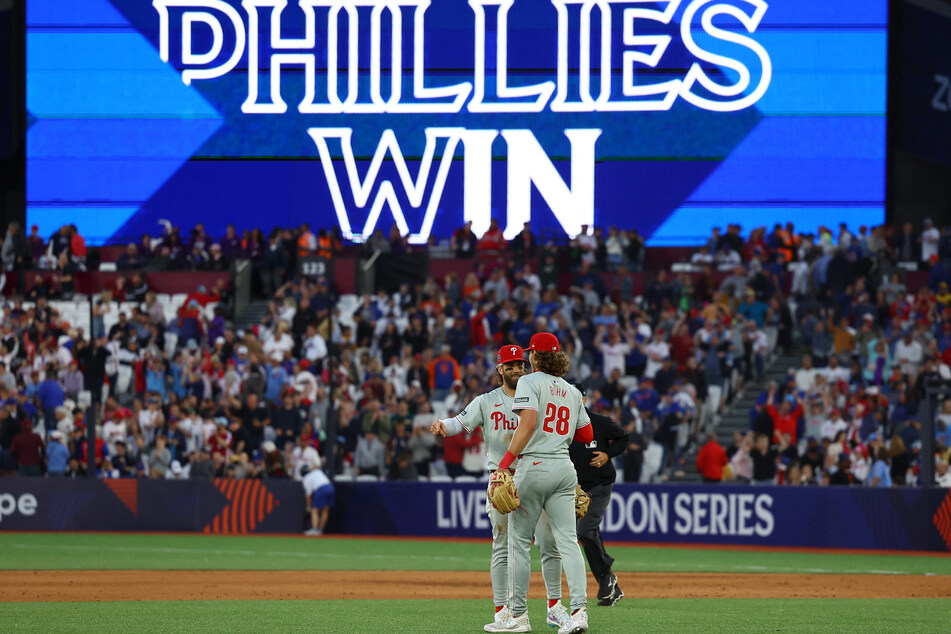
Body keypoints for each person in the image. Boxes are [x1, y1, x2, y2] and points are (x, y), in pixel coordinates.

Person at [431, 346, 571, 632]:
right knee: (503, 545)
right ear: (499, 369)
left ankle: (555, 607)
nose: (517, 369)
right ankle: (502, 611)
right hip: (503, 479)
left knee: (549, 543)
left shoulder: (539, 393)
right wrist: (442, 425)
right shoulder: (486, 401)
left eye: (520, 364)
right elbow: (460, 422)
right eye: (510, 365)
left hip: (537, 473)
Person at [494, 332, 593, 634]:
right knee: (568, 542)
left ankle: (518, 617)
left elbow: (528, 423)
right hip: (565, 469)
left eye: (530, 354)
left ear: (535, 356)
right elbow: (587, 436)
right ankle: (578, 613)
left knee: (519, 543)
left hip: (534, 465)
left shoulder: (529, 382)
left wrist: (504, 464)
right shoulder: (572, 390)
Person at [568, 383, 629, 607]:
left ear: (584, 400)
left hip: (600, 485)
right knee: (587, 534)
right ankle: (609, 583)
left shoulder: (599, 422)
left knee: (584, 531)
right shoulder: (562, 426)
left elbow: (623, 437)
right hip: (576, 489)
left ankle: (606, 578)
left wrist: (608, 454)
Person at [302, 449, 334, 536]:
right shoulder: (317, 471)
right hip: (330, 487)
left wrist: (308, 507)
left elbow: (308, 495)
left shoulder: (306, 478)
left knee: (314, 509)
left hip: (321, 488)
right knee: (325, 510)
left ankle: (315, 529)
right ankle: (320, 530)